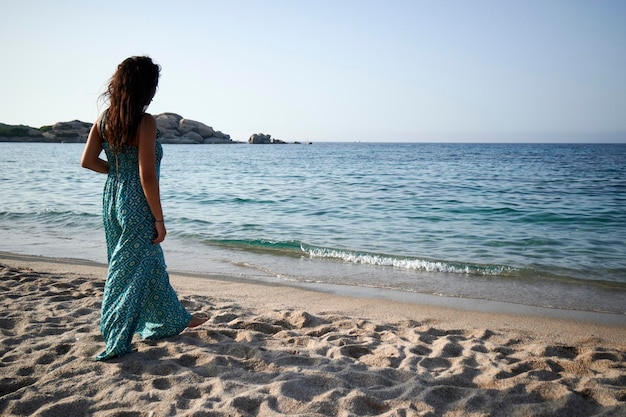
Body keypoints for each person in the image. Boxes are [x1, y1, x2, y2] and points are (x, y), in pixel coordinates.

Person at [81, 56, 207, 361]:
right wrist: (159, 218)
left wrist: (116, 173)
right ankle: (115, 338)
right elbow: (147, 174)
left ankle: (175, 319)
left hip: (112, 200)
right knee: (125, 272)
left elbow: (88, 160)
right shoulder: (145, 122)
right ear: (146, 89)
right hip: (136, 204)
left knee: (147, 265)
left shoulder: (104, 119)